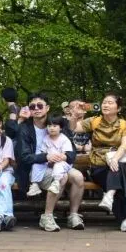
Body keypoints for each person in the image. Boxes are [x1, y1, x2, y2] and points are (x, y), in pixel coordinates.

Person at [18, 93, 85, 230]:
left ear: (47, 108)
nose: (36, 108)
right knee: (62, 177)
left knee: (78, 177)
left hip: (59, 164)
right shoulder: (24, 128)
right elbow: (24, 157)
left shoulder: (58, 123)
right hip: (35, 168)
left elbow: (71, 152)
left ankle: (73, 215)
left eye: (40, 105)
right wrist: (46, 157)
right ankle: (47, 216)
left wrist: (64, 156)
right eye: (32, 106)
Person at [83, 93, 126, 232]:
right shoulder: (94, 121)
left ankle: (110, 195)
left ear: (119, 108)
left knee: (120, 168)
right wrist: (75, 115)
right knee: (121, 176)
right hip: (98, 167)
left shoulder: (125, 124)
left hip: (117, 162)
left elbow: (125, 145)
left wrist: (114, 159)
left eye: (110, 102)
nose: (106, 105)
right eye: (104, 102)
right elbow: (74, 127)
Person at [29, 116, 74, 197]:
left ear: (61, 128)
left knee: (58, 166)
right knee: (37, 164)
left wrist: (58, 158)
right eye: (49, 126)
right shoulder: (46, 138)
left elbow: (66, 154)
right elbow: (43, 152)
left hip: (61, 162)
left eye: (55, 126)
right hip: (49, 161)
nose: (51, 128)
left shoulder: (64, 139)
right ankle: (35, 184)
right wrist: (46, 158)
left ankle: (56, 182)